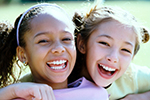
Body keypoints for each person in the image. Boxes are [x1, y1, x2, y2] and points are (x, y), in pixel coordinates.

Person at [0, 3, 108, 100]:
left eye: (66, 39)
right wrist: (13, 91)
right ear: (22, 55)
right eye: (44, 41)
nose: (59, 48)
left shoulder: (96, 94)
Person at [69, 5, 150, 100]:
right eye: (104, 43)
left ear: (132, 57)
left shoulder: (132, 77)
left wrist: (139, 98)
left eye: (125, 50)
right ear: (82, 44)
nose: (113, 57)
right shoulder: (62, 76)